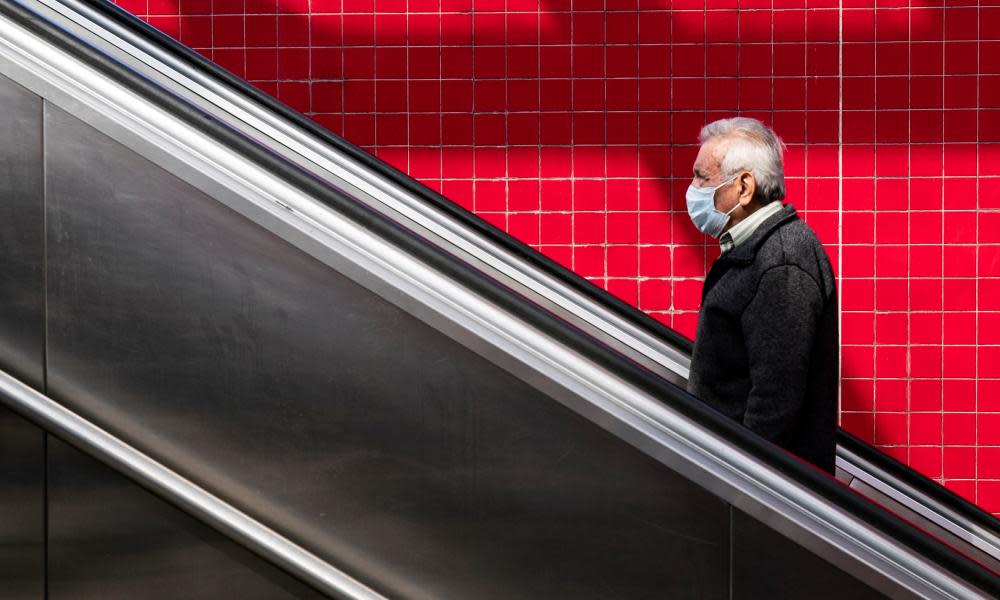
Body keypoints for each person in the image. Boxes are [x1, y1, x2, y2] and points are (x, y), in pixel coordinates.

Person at [685, 117, 839, 473]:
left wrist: (741, 481)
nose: (692, 188)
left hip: (757, 496)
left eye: (702, 177)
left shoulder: (781, 262)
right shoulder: (760, 250)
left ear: (743, 187)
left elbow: (776, 400)